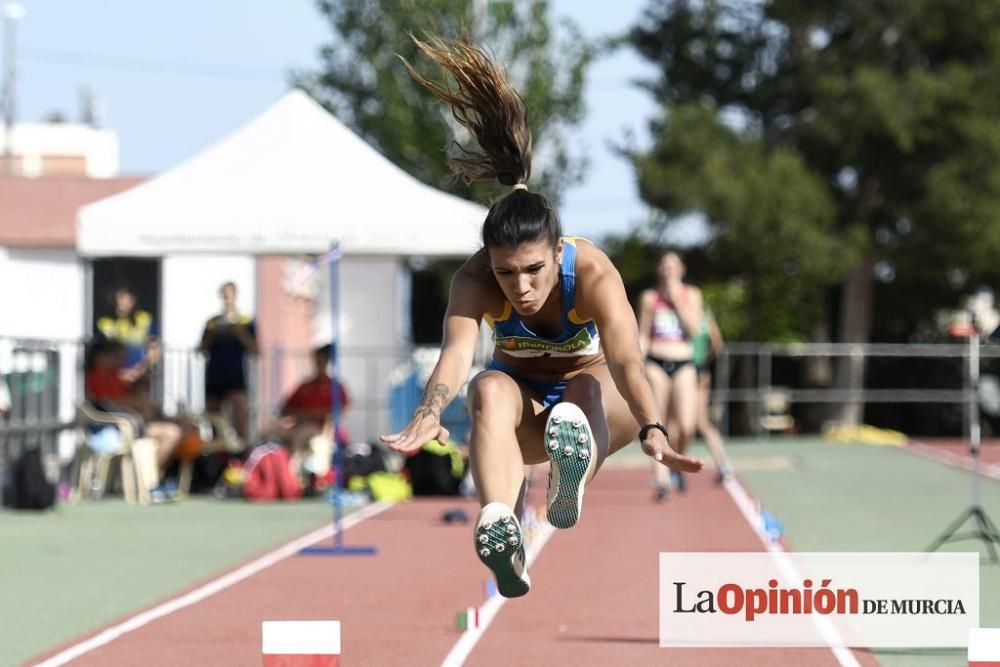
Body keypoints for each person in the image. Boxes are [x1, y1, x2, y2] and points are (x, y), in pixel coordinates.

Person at [381, 35, 702, 599]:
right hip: (527, 411)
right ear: (490, 265)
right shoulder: (474, 281)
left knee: (584, 389)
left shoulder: (594, 272)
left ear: (557, 252)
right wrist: (430, 410)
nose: (521, 288)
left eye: (533, 270)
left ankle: (571, 475)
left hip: (603, 404)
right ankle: (501, 525)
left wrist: (654, 426)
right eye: (507, 274)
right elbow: (455, 355)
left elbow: (627, 357)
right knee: (486, 390)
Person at [637, 252, 702, 500]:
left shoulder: (692, 294)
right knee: (657, 423)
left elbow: (695, 330)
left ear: (681, 269)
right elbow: (643, 333)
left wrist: (676, 299)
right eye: (664, 264)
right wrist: (637, 364)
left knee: (686, 425)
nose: (668, 269)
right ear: (659, 269)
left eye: (673, 265)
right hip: (656, 362)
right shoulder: (649, 297)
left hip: (683, 362)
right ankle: (661, 479)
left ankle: (675, 462)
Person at [84, 340, 182, 487]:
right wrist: (141, 404)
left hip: (132, 423)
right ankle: (149, 482)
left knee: (181, 427)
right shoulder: (97, 377)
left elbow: (129, 392)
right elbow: (111, 401)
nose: (121, 360)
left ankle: (155, 478)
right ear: (101, 357)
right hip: (115, 429)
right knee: (171, 433)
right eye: (116, 356)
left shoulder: (114, 375)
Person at [274, 343, 350, 478]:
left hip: (318, 428)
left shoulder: (335, 386)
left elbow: (342, 409)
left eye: (322, 360)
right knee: (270, 431)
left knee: (301, 436)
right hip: (298, 425)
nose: (319, 364)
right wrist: (299, 415)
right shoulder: (304, 386)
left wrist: (314, 415)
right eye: (317, 360)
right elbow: (285, 409)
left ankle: (291, 476)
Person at [200, 282, 257, 442]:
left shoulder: (245, 321)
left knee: (240, 413)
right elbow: (202, 349)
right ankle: (217, 454)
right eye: (224, 296)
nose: (227, 299)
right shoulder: (212, 322)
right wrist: (214, 333)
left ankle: (242, 451)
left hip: (235, 376)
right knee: (214, 419)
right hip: (215, 376)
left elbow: (255, 349)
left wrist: (239, 332)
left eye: (230, 295)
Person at [692, 307, 734, 483]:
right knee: (696, 423)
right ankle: (724, 464)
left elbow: (717, 342)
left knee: (699, 423)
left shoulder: (702, 314)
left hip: (693, 370)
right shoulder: (705, 313)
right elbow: (718, 343)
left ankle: (724, 464)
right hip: (698, 369)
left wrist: (701, 361)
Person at [95, 285, 160, 381]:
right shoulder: (104, 323)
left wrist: (137, 372)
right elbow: (102, 355)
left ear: (133, 300)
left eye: (124, 298)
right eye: (116, 299)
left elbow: (154, 350)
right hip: (112, 378)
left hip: (142, 377)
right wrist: (118, 375)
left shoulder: (145, 319)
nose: (120, 303)